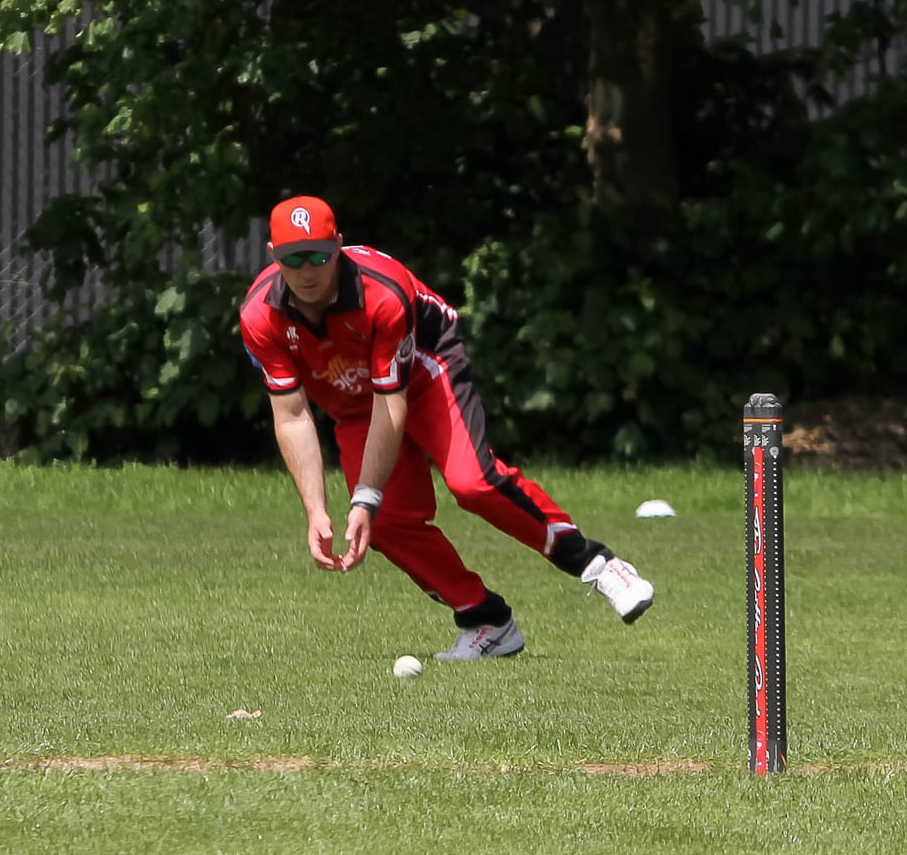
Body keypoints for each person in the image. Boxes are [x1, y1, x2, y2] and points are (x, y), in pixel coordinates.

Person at [239, 195, 654, 659]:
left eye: (318, 255)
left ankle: (599, 565)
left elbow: (391, 402)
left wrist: (364, 496)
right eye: (293, 258)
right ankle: (486, 620)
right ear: (272, 254)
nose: (307, 271)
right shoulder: (259, 315)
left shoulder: (382, 294)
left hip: (424, 370)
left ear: (338, 245)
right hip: (355, 401)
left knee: (472, 484)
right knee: (384, 523)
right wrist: (317, 510)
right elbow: (292, 416)